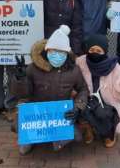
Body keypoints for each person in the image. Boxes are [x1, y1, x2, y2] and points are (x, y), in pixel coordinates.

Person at [19, 25, 88, 155]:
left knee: (77, 136)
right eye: (53, 51)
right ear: (47, 50)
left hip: (59, 113)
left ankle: (55, 138)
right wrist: (19, 78)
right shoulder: (33, 68)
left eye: (61, 52)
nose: (57, 55)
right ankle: (29, 138)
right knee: (23, 132)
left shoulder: (74, 70)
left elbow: (83, 90)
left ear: (67, 53)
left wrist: (77, 107)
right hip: (36, 112)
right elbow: (22, 93)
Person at [76, 34, 120, 148]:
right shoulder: (81, 62)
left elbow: (119, 98)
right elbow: (74, 81)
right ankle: (89, 129)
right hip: (87, 99)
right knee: (80, 108)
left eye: (98, 50)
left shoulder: (115, 67)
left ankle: (109, 134)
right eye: (91, 50)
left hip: (106, 103)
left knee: (103, 114)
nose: (94, 52)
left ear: (105, 51)